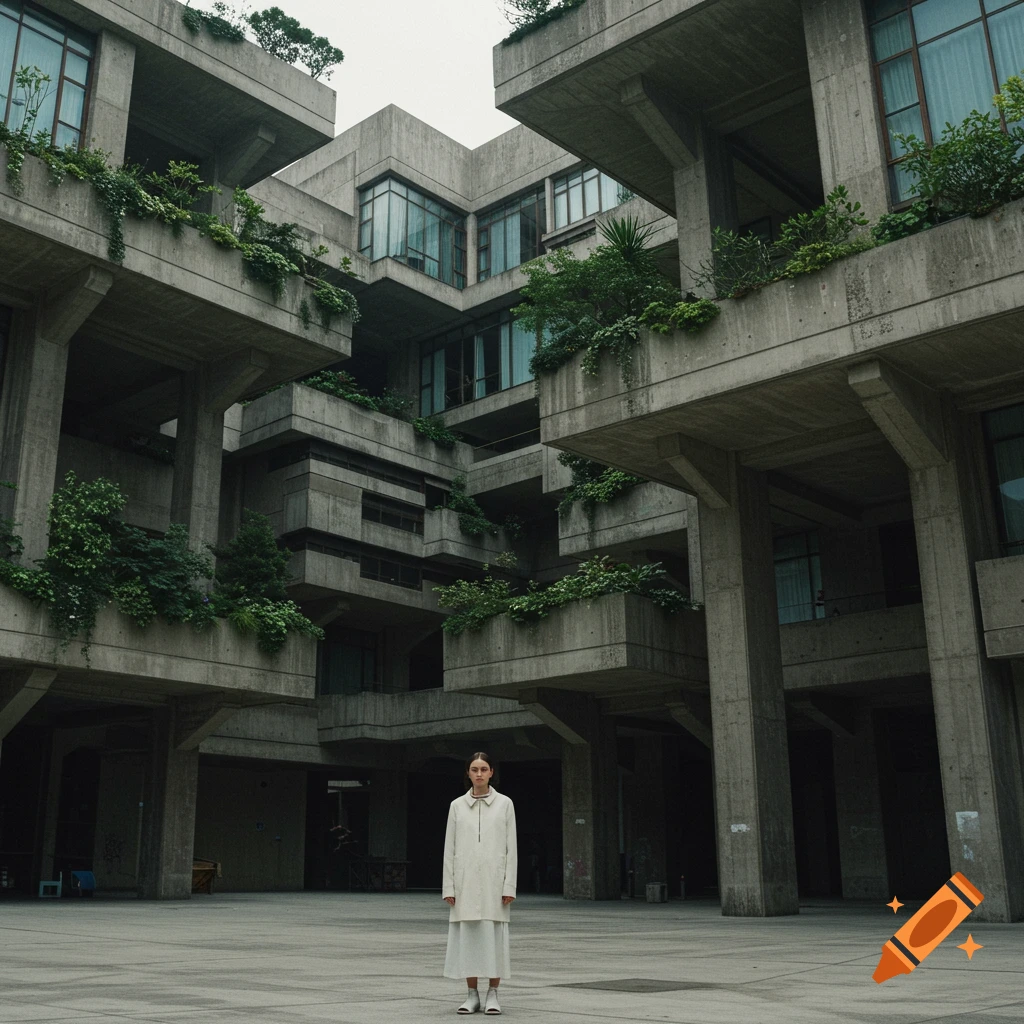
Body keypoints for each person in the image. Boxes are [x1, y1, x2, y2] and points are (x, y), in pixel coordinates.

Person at [442, 751, 517, 1015]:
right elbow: (449, 848)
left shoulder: (505, 804)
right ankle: (472, 994)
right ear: (468, 773)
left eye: (484, 769)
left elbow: (511, 847)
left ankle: (493, 993)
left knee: (494, 938)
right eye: (474, 769)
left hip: (495, 884)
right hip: (465, 884)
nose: (479, 774)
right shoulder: (456, 806)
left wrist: (509, 885)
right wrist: (449, 887)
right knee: (469, 940)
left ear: (491, 772)